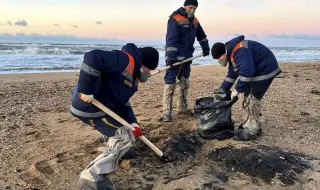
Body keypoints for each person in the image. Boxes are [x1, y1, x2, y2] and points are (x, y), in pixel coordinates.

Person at [70, 43, 159, 189]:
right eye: (149, 70)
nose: (148, 74)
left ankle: (120, 151)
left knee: (127, 131)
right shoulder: (123, 59)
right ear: (143, 63)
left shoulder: (133, 78)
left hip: (102, 109)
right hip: (90, 107)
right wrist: (87, 90)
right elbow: (92, 57)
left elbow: (123, 103)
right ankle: (91, 176)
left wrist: (133, 122)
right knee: (125, 136)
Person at [211, 35, 281, 141]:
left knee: (252, 98)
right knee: (248, 96)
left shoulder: (239, 51)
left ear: (223, 53)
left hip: (265, 70)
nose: (219, 61)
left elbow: (247, 72)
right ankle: (252, 123)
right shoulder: (232, 53)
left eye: (218, 58)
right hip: (258, 70)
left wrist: (237, 89)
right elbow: (232, 75)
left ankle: (251, 130)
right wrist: (222, 91)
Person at [163, 0, 210, 122]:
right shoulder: (175, 18)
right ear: (185, 6)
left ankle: (182, 108)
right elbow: (171, 39)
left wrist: (205, 47)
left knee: (184, 83)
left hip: (187, 58)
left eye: (195, 8)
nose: (192, 10)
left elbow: (201, 35)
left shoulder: (194, 20)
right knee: (170, 84)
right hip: (175, 59)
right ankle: (167, 112)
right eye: (191, 7)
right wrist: (171, 57)